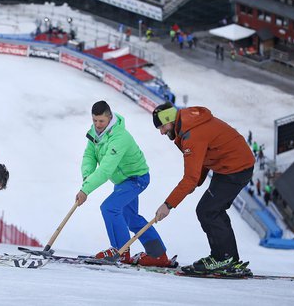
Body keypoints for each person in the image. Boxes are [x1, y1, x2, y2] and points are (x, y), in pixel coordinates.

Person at [152, 102, 254, 276]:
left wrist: (168, 205)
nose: (161, 132)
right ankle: (226, 258)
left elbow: (190, 177)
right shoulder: (188, 125)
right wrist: (195, 182)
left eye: (162, 126)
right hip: (227, 165)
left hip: (236, 168)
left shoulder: (191, 134)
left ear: (169, 119)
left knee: (208, 211)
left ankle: (223, 259)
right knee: (212, 210)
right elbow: (203, 160)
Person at [75, 101, 174, 267]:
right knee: (131, 218)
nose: (98, 125)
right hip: (122, 181)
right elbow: (89, 156)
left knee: (109, 207)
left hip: (136, 178)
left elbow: (106, 169)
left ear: (110, 118)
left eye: (101, 121)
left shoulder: (120, 137)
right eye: (95, 121)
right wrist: (87, 177)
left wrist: (85, 190)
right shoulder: (95, 133)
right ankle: (159, 255)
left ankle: (120, 251)